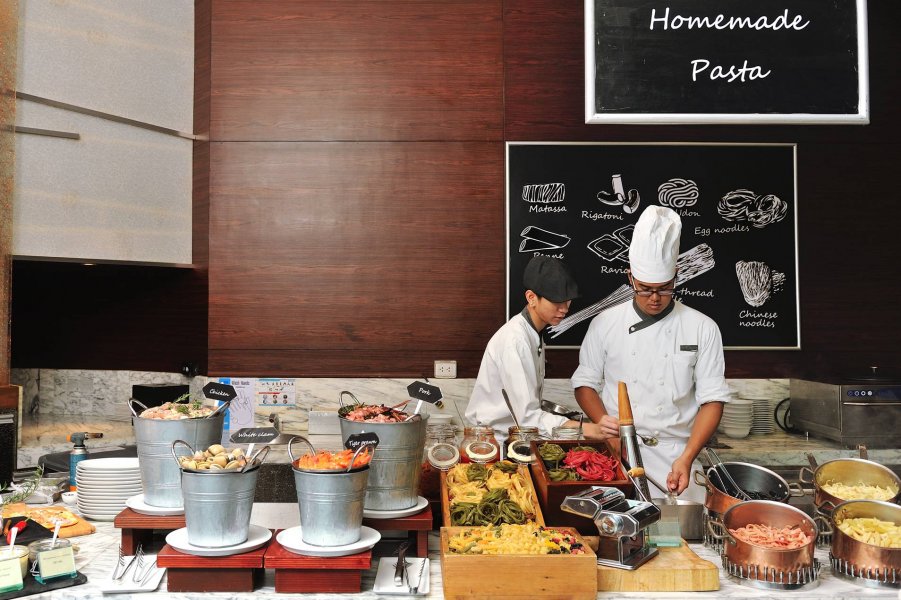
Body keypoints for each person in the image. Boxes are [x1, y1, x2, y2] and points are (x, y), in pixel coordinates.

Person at [572, 205, 729, 503]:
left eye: (664, 288)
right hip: (619, 452)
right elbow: (584, 384)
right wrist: (606, 425)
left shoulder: (703, 327)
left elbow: (712, 400)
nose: (654, 298)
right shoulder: (604, 323)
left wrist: (687, 457)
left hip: (677, 455)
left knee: (682, 531)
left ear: (676, 277)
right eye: (644, 289)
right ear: (630, 278)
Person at [465, 256, 607, 450]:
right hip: (492, 444)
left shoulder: (533, 333)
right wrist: (587, 429)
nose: (564, 309)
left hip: (512, 437)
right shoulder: (515, 340)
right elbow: (528, 418)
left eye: (568, 301)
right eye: (556, 301)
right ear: (531, 298)